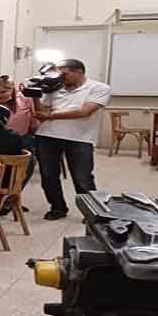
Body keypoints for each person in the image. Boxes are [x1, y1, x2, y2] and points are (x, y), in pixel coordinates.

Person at [34, 59, 112, 220]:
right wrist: (34, 95)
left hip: (80, 138)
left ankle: (92, 212)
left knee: (82, 177)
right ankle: (58, 208)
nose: (61, 77)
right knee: (48, 176)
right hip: (47, 136)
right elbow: (41, 114)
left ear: (79, 72)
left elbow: (84, 112)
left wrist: (51, 116)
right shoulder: (54, 88)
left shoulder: (99, 88)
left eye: (65, 74)